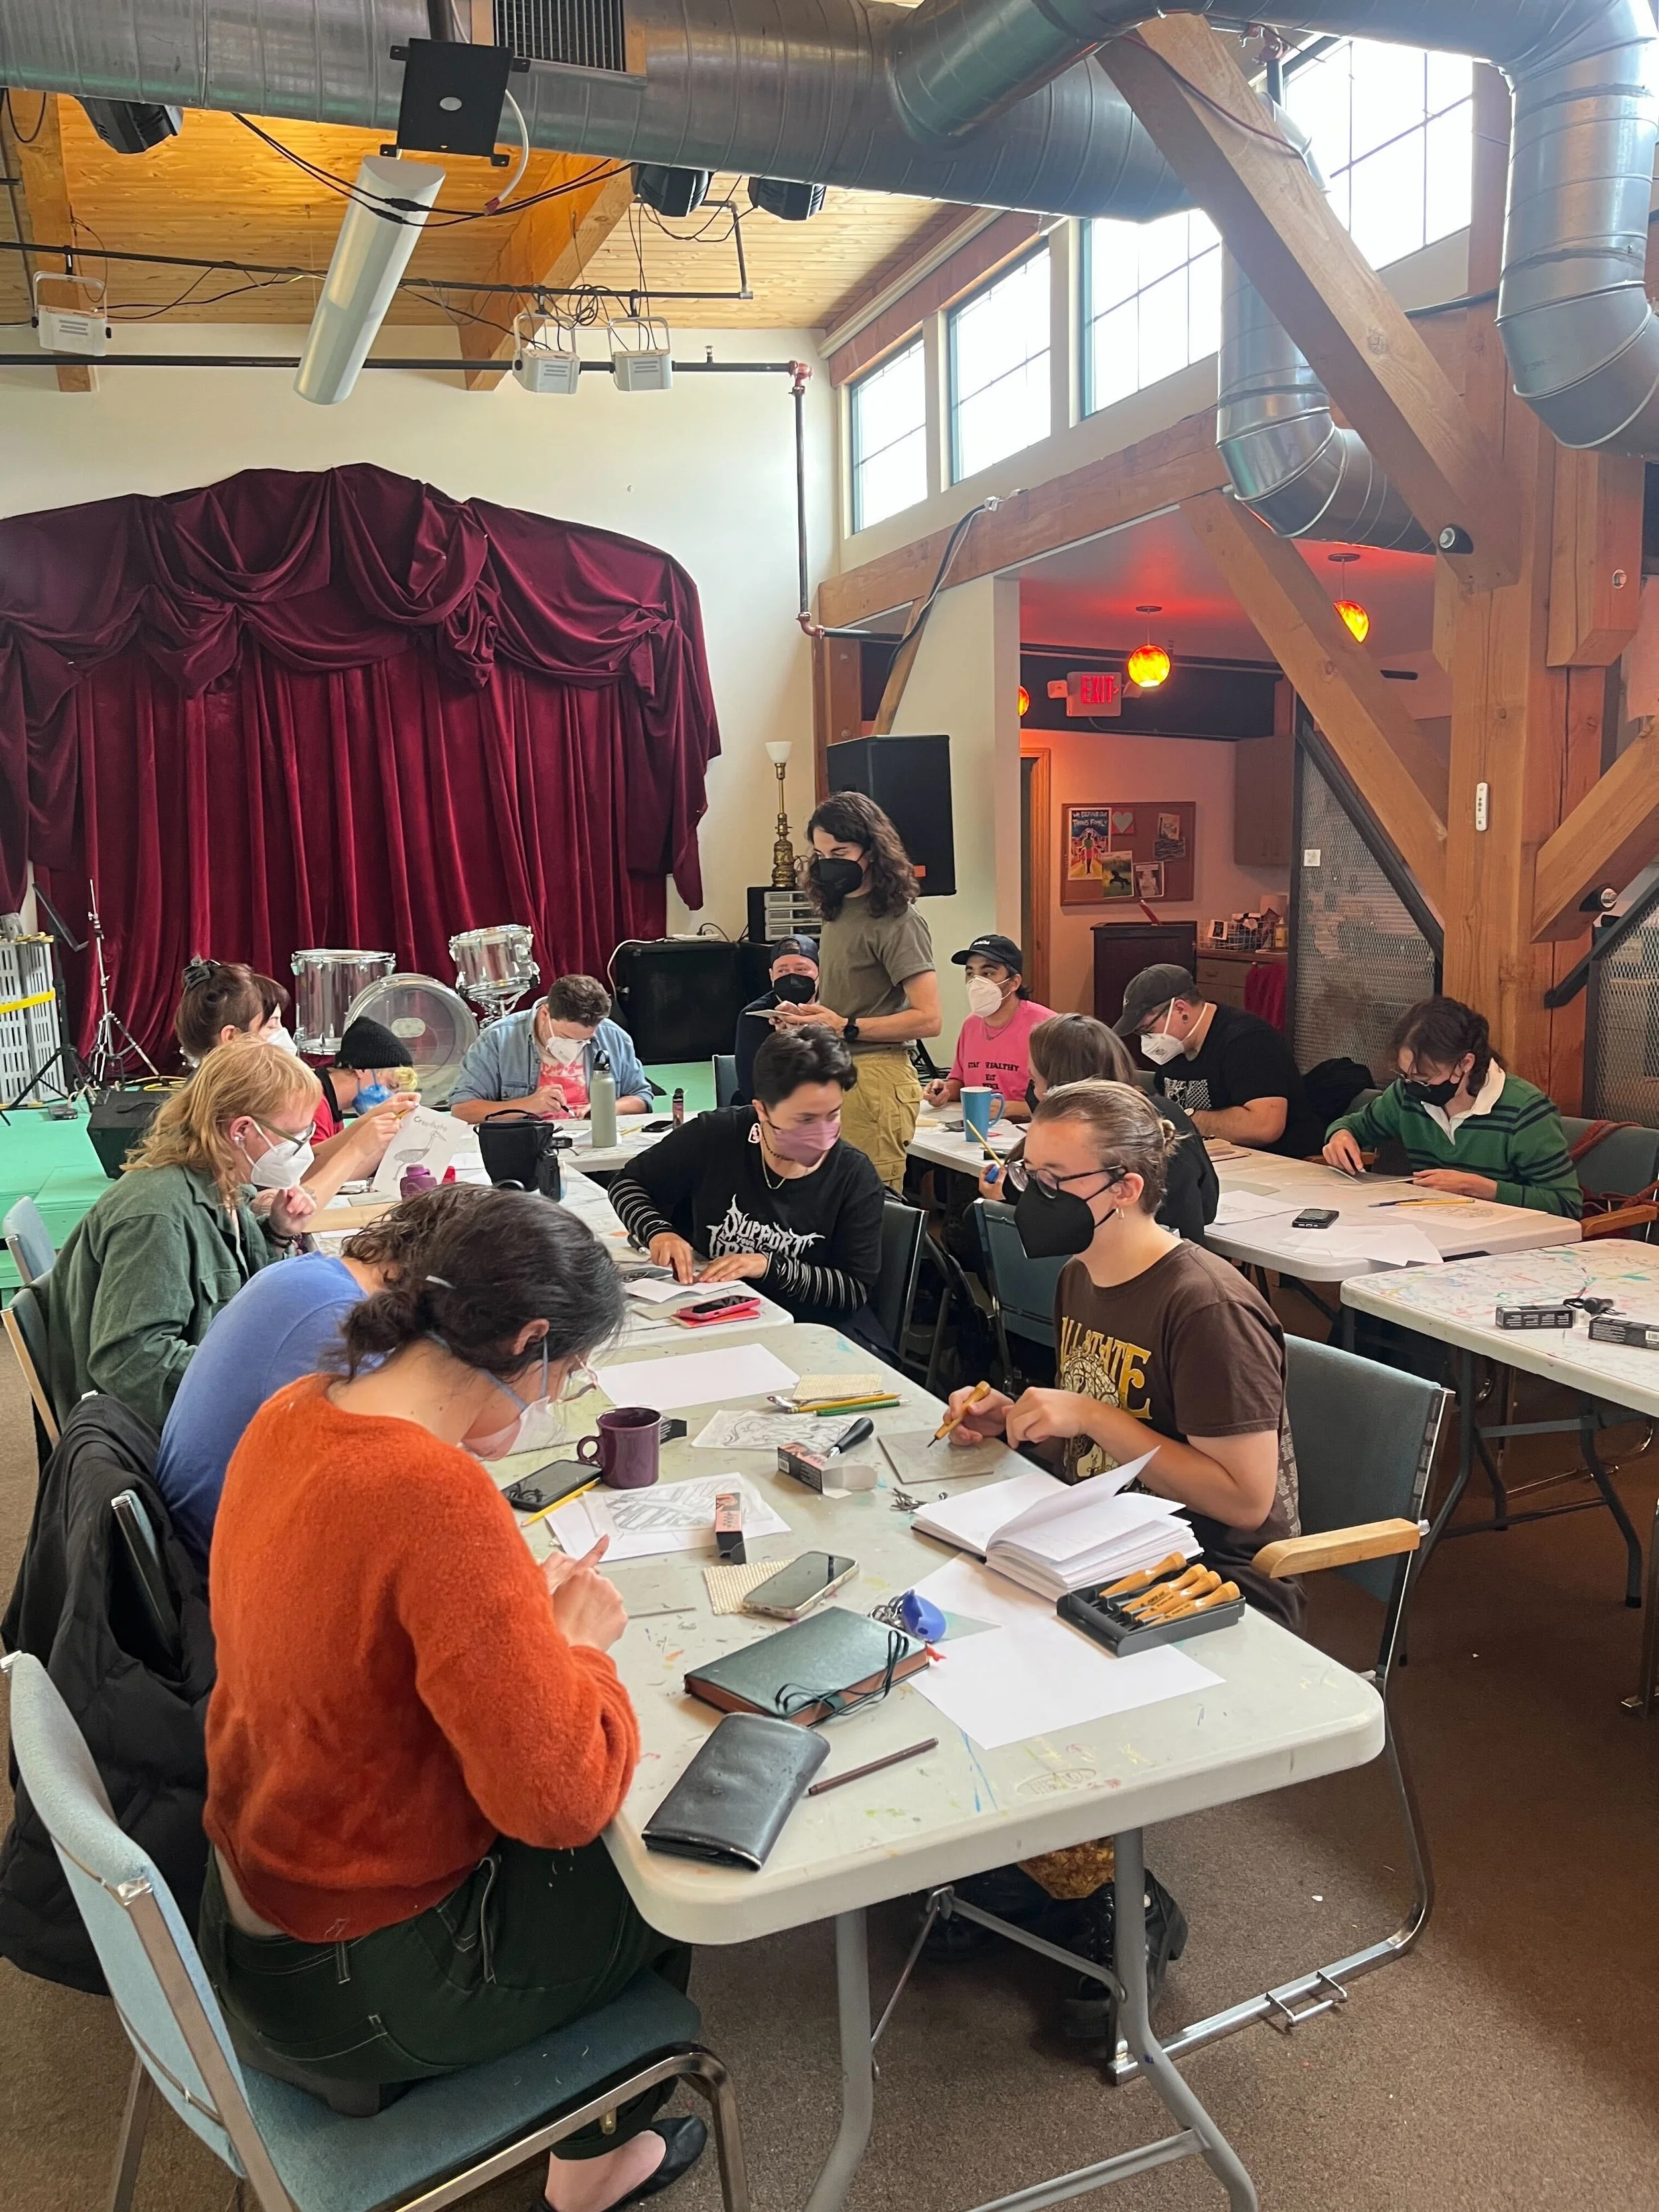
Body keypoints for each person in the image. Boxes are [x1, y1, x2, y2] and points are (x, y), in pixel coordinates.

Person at [198, 1191, 708, 2212]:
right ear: (528, 1341)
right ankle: (593, 2168)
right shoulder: (434, 1492)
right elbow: (559, 1799)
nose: (555, 1401)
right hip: (352, 1975)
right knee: (660, 1869)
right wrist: (581, 1655)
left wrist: (523, 1616)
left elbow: (365, 1618)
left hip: (245, 1905)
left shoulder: (296, 1409)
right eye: (565, 1377)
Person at [934, 1078, 1303, 2043]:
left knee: (1025, 1665)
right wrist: (1016, 1421)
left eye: (1053, 1177)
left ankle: (1118, 1905)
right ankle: (1038, 1868)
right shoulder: (1080, 1274)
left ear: (1129, 1186)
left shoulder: (1206, 1303)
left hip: (1215, 1573)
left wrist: (1091, 1414)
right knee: (941, 1624)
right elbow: (1089, 1446)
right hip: (1104, 1534)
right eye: (1027, 1170)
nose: (1029, 1193)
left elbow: (1245, 1497)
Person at [155, 1185, 484, 1573]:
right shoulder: (344, 1321)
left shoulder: (310, 1273)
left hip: (198, 1536)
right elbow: (403, 1480)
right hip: (225, 1569)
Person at [42, 1044, 319, 1436]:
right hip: (159, 1435)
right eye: (293, 1136)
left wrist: (277, 1232)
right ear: (240, 1131)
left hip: (194, 1408)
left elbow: (246, 1292)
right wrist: (261, 1380)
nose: (302, 1148)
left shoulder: (222, 1184)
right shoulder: (156, 1218)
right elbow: (131, 1364)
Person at [610, 1027, 889, 1349]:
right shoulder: (717, 1136)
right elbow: (628, 1183)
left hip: (813, 1334)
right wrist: (659, 1231)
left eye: (833, 1115)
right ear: (762, 1110)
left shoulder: (853, 1175)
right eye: (804, 1120)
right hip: (718, 1318)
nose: (822, 1133)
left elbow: (852, 1290)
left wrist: (768, 1266)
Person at [772, 791, 941, 1191]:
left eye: (841, 851)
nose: (830, 863)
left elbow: (929, 1018)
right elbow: (844, 1003)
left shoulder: (898, 920)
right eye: (820, 853)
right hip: (832, 1070)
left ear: (873, 850)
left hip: (876, 1077)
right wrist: (806, 1021)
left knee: (871, 1209)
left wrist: (845, 1026)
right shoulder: (839, 910)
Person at [171, 958, 406, 1199]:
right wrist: (357, 1149)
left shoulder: (226, 1093)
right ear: (232, 1037)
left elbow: (300, 1165)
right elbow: (293, 1192)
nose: (284, 1036)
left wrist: (366, 1123)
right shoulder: (221, 1107)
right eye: (272, 1025)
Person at [1323, 996, 1581, 1215]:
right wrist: (1340, 1136)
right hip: (1432, 1230)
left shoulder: (1525, 1111)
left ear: (1465, 1064)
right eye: (1406, 1075)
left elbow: (1566, 1205)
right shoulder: (1406, 1095)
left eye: (1425, 1077)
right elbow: (1352, 1126)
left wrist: (1483, 1189)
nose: (1413, 1085)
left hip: (1507, 1249)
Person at [978, 1015, 1218, 1245]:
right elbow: (1207, 1208)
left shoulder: (1066, 1141)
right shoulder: (1168, 1113)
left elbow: (1045, 1242)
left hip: (1110, 1276)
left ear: (1056, 1088)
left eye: (1035, 1082)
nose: (1035, 1094)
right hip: (1182, 1257)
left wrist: (999, 1203)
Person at [1117, 963, 1321, 1159]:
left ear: (1180, 1010)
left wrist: (1183, 1117)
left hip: (1277, 1164)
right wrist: (1145, 1103)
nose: (1147, 1041)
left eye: (1148, 1031)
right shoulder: (1176, 1046)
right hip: (1211, 1160)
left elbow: (1265, 1126)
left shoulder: (1249, 1041)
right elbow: (1168, 1099)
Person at [450, 974, 651, 1126]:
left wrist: (606, 1108)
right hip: (526, 1148)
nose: (575, 1047)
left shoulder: (613, 1037)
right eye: (566, 1037)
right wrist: (528, 1105)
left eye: (586, 1040)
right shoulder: (499, 1040)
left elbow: (641, 1097)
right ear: (545, 1013)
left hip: (596, 1144)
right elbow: (463, 1111)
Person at [924, 934, 1055, 1123]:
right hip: (977, 1127)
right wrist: (943, 1091)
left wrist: (1008, 1107)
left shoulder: (1046, 1026)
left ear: (1014, 982)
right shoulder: (971, 1024)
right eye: (970, 973)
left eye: (987, 974)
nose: (976, 982)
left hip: (1029, 1131)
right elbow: (959, 1081)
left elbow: (1068, 1098)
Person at [733, 935, 820, 1104]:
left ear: (820, 971)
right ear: (772, 975)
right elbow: (751, 1084)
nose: (792, 976)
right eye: (782, 971)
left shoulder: (836, 1011)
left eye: (801, 969)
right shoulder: (753, 1016)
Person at [310, 1014, 419, 1142]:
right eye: (391, 1086)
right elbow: (318, 1161)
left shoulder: (332, 1108)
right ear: (361, 1069)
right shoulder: (313, 1102)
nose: (391, 1097)